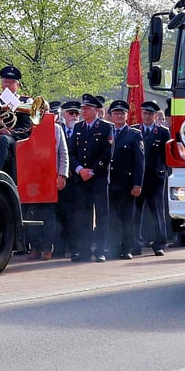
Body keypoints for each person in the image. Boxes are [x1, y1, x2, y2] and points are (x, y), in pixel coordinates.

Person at [69, 93, 113, 262]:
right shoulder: (79, 127)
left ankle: (101, 250)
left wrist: (92, 171)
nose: (83, 111)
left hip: (98, 177)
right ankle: (84, 250)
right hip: (82, 178)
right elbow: (72, 151)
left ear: (96, 110)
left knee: (102, 215)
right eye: (83, 108)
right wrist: (80, 169)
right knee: (83, 215)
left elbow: (107, 153)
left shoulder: (105, 127)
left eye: (87, 109)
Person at [106, 100, 145, 260]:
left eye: (121, 113)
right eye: (115, 113)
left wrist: (138, 183)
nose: (119, 116)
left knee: (127, 218)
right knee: (112, 218)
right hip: (109, 183)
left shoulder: (134, 134)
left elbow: (140, 161)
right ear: (111, 116)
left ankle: (127, 248)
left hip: (127, 184)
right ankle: (113, 247)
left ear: (127, 116)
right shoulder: (106, 132)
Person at [28, 113, 70, 260]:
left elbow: (64, 153)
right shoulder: (31, 127)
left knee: (48, 215)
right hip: (33, 177)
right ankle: (35, 247)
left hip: (50, 177)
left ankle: (47, 247)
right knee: (32, 214)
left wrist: (62, 175)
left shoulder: (57, 128)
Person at [134, 100, 171, 256]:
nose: (147, 116)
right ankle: (135, 243)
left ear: (156, 116)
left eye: (150, 114)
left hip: (155, 178)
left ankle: (159, 244)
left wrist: (162, 171)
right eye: (145, 113)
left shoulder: (162, 132)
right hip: (138, 178)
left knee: (157, 211)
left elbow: (167, 157)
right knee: (136, 211)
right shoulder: (135, 130)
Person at [0, 65, 33, 179]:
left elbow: (26, 128)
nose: (7, 85)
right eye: (5, 82)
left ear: (18, 85)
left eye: (11, 82)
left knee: (3, 139)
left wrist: (10, 132)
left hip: (15, 137)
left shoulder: (25, 101)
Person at [54, 100, 80, 258]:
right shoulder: (59, 129)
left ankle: (75, 246)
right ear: (64, 114)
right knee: (59, 214)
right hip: (61, 179)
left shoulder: (82, 130)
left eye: (77, 113)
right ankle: (59, 247)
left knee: (76, 215)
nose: (74, 116)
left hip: (78, 180)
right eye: (71, 113)